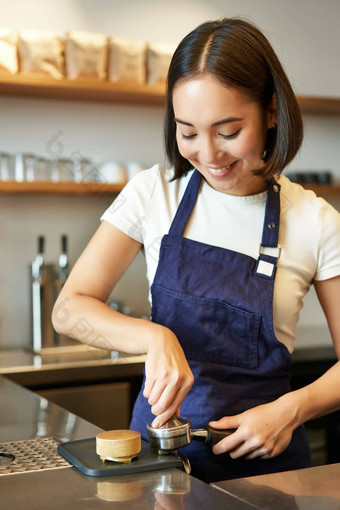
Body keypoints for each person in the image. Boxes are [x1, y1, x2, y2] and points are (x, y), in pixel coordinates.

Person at [52, 18, 340, 483]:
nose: (208, 154)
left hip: (268, 477)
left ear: (271, 112)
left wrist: (292, 409)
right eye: (188, 133)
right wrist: (153, 337)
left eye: (228, 132)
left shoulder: (314, 220)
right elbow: (68, 311)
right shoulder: (153, 194)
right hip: (155, 466)